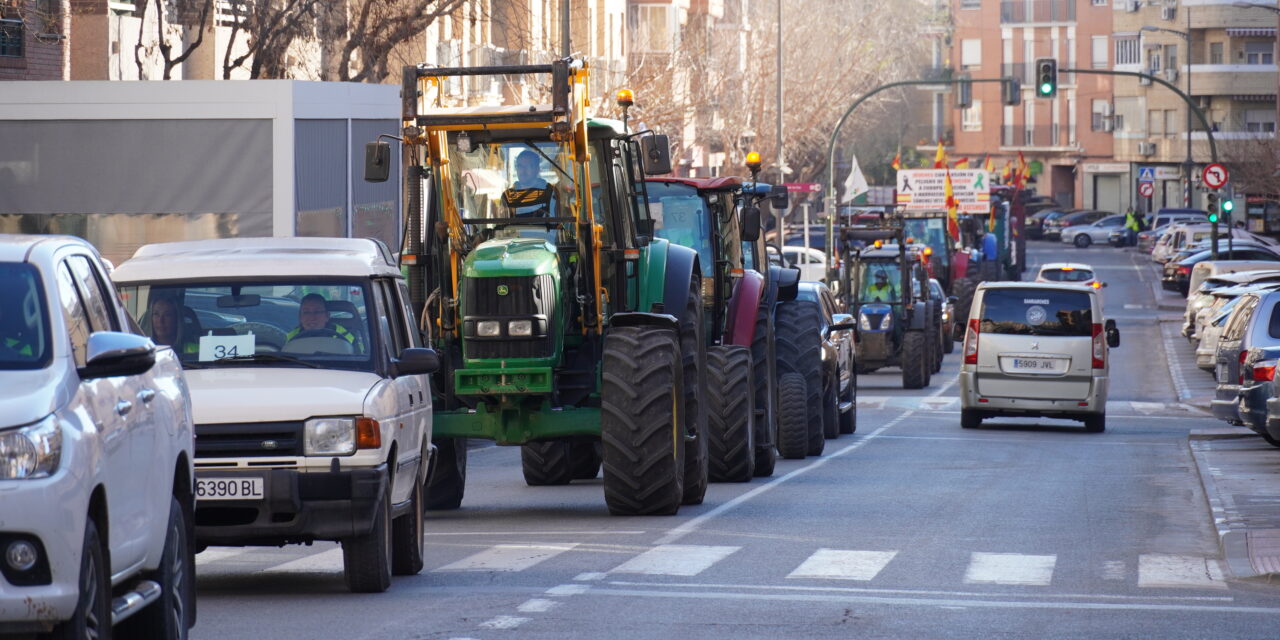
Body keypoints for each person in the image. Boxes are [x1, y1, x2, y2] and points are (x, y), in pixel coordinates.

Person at [286, 293, 363, 353]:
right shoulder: (291, 337)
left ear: (327, 316)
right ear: (300, 317)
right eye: (306, 312)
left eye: (317, 311)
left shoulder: (346, 336)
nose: (312, 317)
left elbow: (358, 363)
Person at [509, 150, 556, 217]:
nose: (523, 170)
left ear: (537, 169)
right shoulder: (508, 196)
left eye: (529, 166)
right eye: (520, 166)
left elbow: (555, 223)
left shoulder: (549, 193)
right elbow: (502, 224)